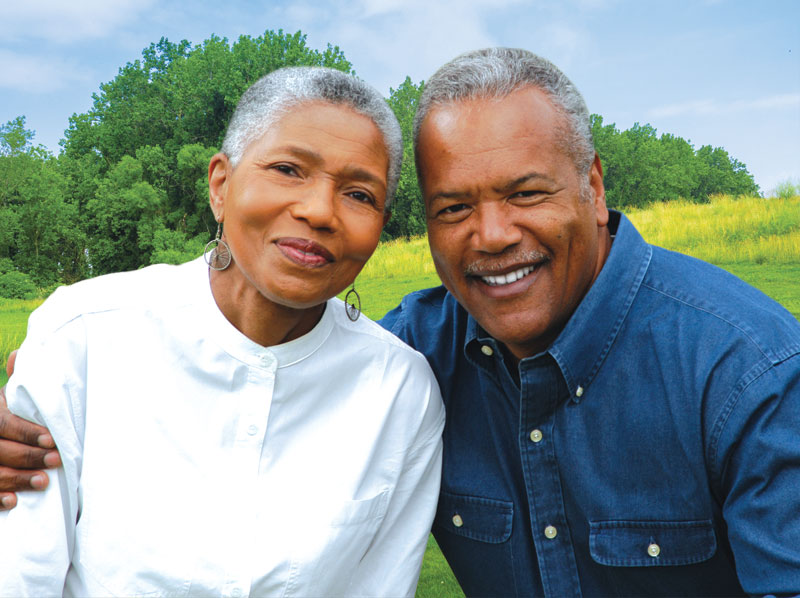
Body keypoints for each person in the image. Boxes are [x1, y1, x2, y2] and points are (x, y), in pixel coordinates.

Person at [3, 47, 800, 596]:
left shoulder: (749, 371)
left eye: (525, 193)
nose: (491, 236)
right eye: (454, 207)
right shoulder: (87, 338)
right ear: (219, 182)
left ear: (591, 184)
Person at [0, 66, 444, 597]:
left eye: (359, 195)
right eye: (287, 168)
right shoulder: (84, 338)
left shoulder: (401, 393)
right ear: (220, 184)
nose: (320, 211)